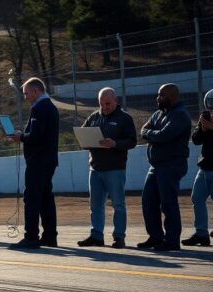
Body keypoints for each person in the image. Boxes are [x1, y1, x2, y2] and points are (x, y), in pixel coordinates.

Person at [76, 88, 137, 249]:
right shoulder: (94, 117)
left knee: (118, 204)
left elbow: (132, 141)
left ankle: (119, 237)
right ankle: (96, 235)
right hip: (95, 168)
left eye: (108, 103)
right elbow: (82, 134)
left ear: (115, 101)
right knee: (95, 205)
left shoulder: (124, 118)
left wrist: (115, 143)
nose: (105, 107)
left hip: (115, 169)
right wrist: (85, 141)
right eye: (101, 104)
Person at [6, 77, 59, 249]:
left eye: (27, 93)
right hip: (48, 159)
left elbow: (36, 136)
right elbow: (38, 134)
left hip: (39, 161)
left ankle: (31, 236)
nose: (25, 97)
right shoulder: (49, 106)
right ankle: (50, 236)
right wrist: (24, 135)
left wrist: (20, 137)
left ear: (36, 91)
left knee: (32, 198)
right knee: (45, 198)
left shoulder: (40, 108)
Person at [138, 83, 191, 251]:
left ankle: (172, 240)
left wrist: (150, 134)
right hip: (156, 165)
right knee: (148, 201)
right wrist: (151, 133)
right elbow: (143, 129)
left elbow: (163, 136)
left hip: (172, 164)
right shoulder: (158, 114)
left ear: (173, 96)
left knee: (168, 203)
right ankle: (155, 237)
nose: (157, 98)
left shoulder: (180, 116)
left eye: (161, 95)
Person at [181, 88, 213, 247]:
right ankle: (201, 233)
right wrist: (203, 128)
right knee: (197, 198)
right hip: (205, 165)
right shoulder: (205, 118)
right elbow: (196, 140)